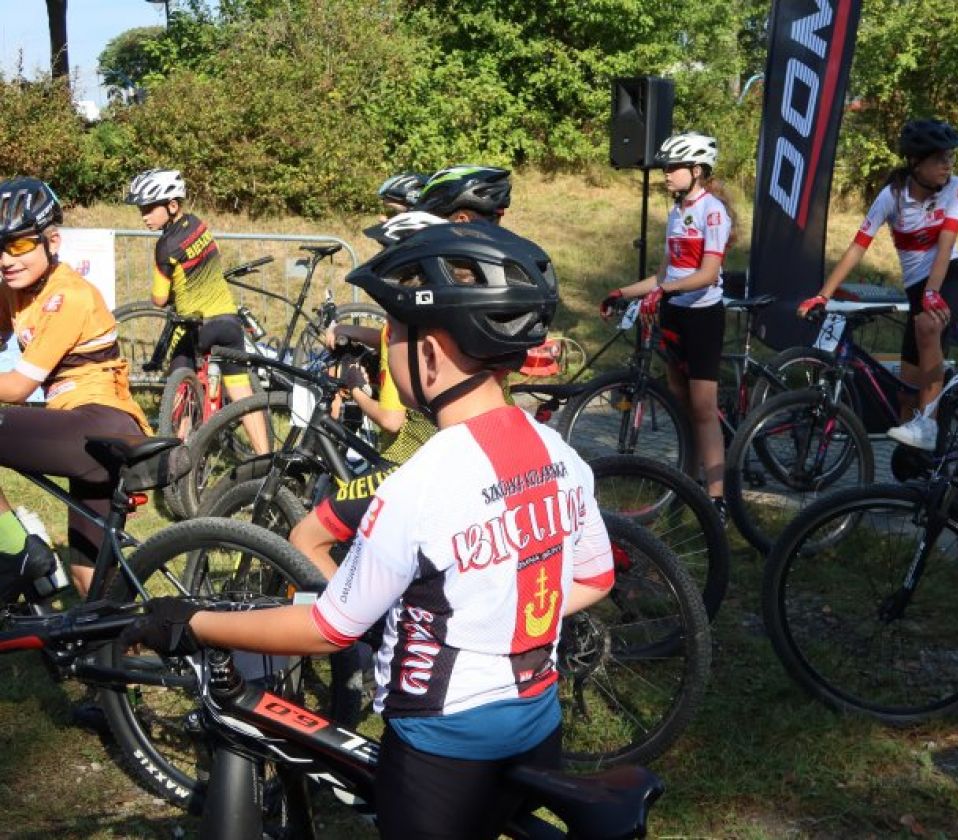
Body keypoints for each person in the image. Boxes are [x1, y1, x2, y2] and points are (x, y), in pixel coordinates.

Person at [123, 222, 614, 840]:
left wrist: (190, 622)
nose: (385, 350)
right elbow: (596, 577)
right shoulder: (560, 454)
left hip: (443, 746)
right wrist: (497, 612)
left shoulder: (418, 483)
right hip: (538, 723)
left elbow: (329, 629)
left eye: (392, 336)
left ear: (430, 354)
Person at [290, 165, 513, 576]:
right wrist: (363, 333)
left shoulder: (427, 296)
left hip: (417, 453)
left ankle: (352, 614)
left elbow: (394, 417)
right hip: (486, 442)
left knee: (306, 537)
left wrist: (357, 388)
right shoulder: (479, 286)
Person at [0, 177, 153, 599]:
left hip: (100, 422)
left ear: (52, 241)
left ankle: (18, 553)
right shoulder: (15, 291)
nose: (6, 259)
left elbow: (17, 387)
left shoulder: (69, 295)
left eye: (18, 245)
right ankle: (135, 640)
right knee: (92, 587)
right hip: (78, 427)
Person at [797, 119, 958, 450]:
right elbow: (858, 247)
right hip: (919, 290)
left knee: (927, 326)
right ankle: (917, 463)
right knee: (906, 394)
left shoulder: (956, 186)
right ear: (916, 162)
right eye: (940, 158)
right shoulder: (892, 196)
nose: (948, 165)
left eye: (951, 157)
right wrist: (823, 295)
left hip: (952, 278)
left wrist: (933, 293)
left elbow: (945, 245)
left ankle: (929, 424)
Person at [599, 133, 733, 513]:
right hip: (673, 311)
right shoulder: (676, 212)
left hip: (702, 315)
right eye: (666, 167)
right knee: (680, 403)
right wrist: (622, 292)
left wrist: (665, 291)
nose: (666, 174)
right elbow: (663, 275)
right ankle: (686, 484)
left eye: (673, 167)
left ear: (697, 170)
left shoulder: (713, 211)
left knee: (703, 407)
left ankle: (716, 498)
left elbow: (708, 274)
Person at [124, 169, 269, 454]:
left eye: (149, 209)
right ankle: (267, 459)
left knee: (180, 380)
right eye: (141, 209)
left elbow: (159, 298)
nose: (144, 216)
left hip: (197, 327)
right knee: (242, 394)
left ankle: (181, 451)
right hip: (228, 322)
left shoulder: (165, 245)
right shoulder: (198, 225)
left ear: (172, 205)